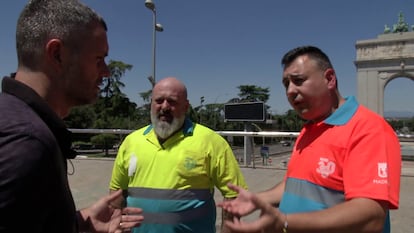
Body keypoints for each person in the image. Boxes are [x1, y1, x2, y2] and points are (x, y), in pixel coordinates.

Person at [218, 46, 401, 233]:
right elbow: (294, 185)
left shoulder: (369, 129)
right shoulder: (309, 129)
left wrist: (285, 221)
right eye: (285, 84)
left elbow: (371, 217)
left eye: (298, 80)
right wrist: (257, 199)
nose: (290, 90)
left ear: (329, 79)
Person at [0, 0, 143, 232]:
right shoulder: (26, 143)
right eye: (99, 59)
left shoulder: (14, 119)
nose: (106, 72)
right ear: (57, 54)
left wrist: (78, 224)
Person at [109, 77, 248, 233]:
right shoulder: (131, 142)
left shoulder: (211, 142)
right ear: (151, 104)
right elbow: (116, 195)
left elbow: (234, 196)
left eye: (172, 101)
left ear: (186, 106)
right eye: (159, 100)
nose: (165, 107)